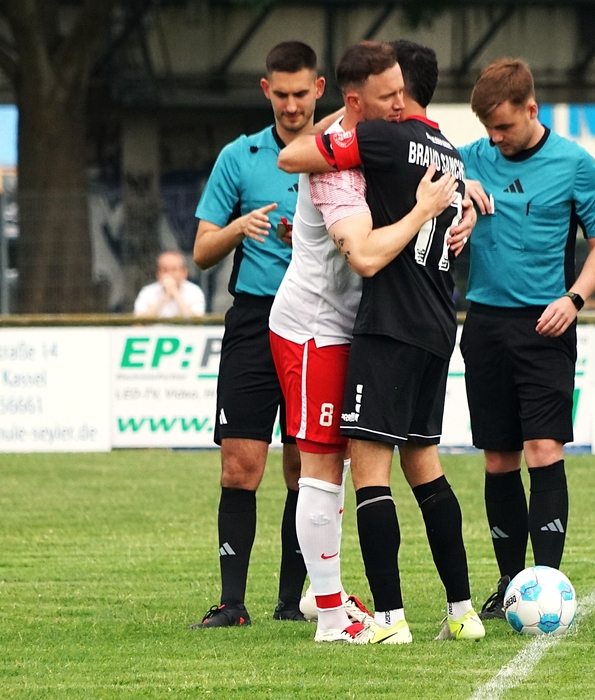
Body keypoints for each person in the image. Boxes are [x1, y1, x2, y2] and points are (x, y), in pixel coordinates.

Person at [278, 39, 482, 644]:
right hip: (424, 322)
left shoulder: (380, 140)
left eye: (398, 92)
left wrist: (425, 211)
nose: (394, 104)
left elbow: (296, 159)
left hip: (385, 324)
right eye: (383, 94)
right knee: (417, 464)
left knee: (363, 472)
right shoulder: (447, 150)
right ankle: (460, 612)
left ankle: (383, 620)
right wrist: (464, 203)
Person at [456, 58, 595, 619]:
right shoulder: (468, 156)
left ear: (532, 108)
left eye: (503, 126)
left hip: (545, 326)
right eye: (487, 128)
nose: (494, 138)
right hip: (484, 325)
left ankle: (546, 584)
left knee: (543, 450)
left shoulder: (575, 164)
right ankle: (508, 585)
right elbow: (420, 168)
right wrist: (458, 184)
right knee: (498, 458)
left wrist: (573, 299)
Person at [188, 41, 321, 628]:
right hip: (253, 321)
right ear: (266, 90)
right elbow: (201, 251)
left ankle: (291, 603)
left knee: (301, 468)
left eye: (301, 94)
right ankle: (232, 604)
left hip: (315, 321)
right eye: (281, 94)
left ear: (319, 89)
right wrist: (240, 227)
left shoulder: (339, 155)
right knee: (240, 467)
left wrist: (312, 239)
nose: (291, 106)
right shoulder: (238, 158)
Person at [133, 250, 206, 318]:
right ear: (158, 273)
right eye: (164, 270)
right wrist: (165, 297)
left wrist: (175, 294)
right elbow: (138, 322)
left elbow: (196, 322)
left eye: (174, 269)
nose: (169, 274)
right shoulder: (147, 292)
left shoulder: (194, 291)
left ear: (184, 273)